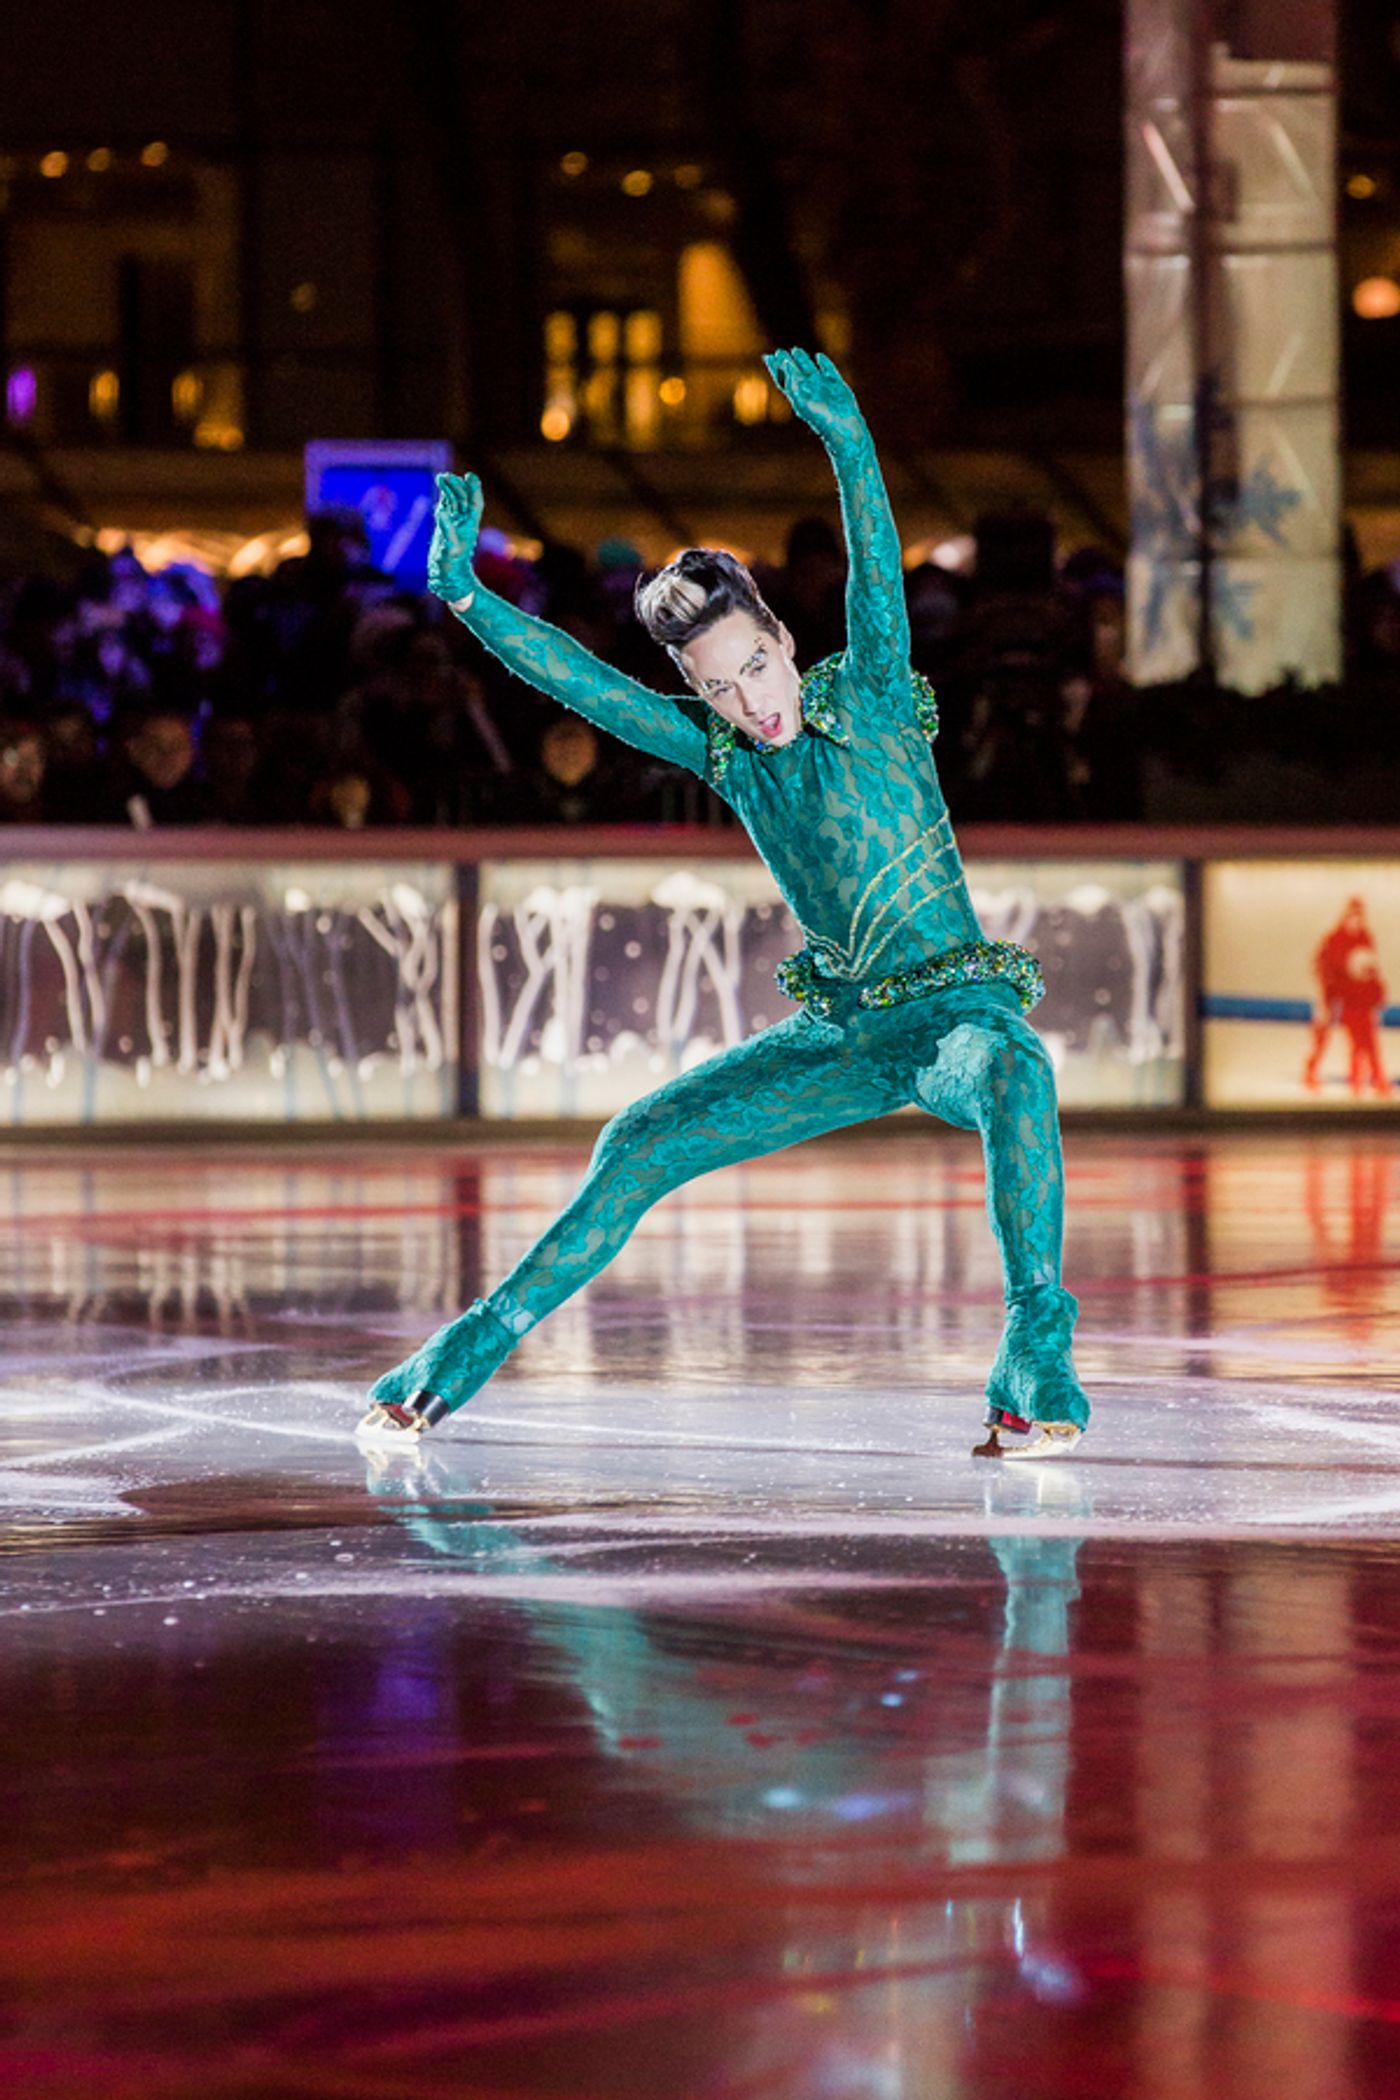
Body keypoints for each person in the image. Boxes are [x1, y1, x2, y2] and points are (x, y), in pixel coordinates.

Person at [357, 347, 1090, 1461]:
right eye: (713, 686)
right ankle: (461, 1351)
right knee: (638, 1141)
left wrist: (847, 438)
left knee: (1014, 1070)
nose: (746, 702)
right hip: (843, 1034)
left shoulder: (877, 700)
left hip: (951, 1018)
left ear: (781, 640)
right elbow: (579, 682)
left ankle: (1034, 1354)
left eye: (751, 667)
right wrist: (464, 594)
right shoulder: (728, 758)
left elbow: (873, 564)